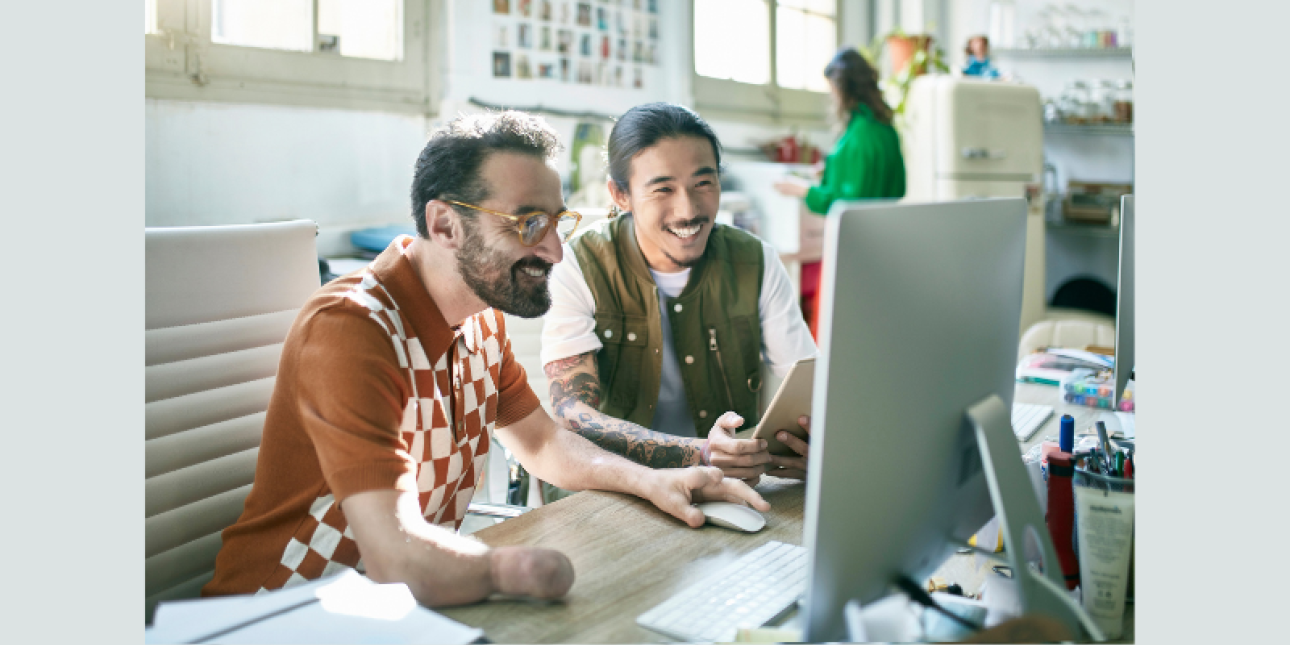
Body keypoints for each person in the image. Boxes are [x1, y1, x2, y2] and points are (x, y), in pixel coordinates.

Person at [202, 111, 767, 606]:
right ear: (444, 224)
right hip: (280, 611)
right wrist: (517, 566)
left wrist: (650, 481)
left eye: (556, 221)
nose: (555, 250)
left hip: (393, 609)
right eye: (528, 224)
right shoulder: (350, 329)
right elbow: (396, 553)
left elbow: (543, 444)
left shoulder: (481, 318)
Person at [540, 103, 818, 502]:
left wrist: (812, 445)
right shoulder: (578, 265)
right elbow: (572, 413)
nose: (688, 210)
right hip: (614, 492)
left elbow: (806, 389)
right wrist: (699, 453)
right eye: (663, 189)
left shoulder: (756, 260)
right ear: (621, 194)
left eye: (703, 184)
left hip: (726, 493)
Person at [772, 47, 906, 336]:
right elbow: (897, 187)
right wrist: (831, 171)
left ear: (843, 88)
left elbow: (843, 204)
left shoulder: (856, 137)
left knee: (838, 334)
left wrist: (802, 189)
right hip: (888, 251)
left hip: (853, 254)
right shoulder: (886, 131)